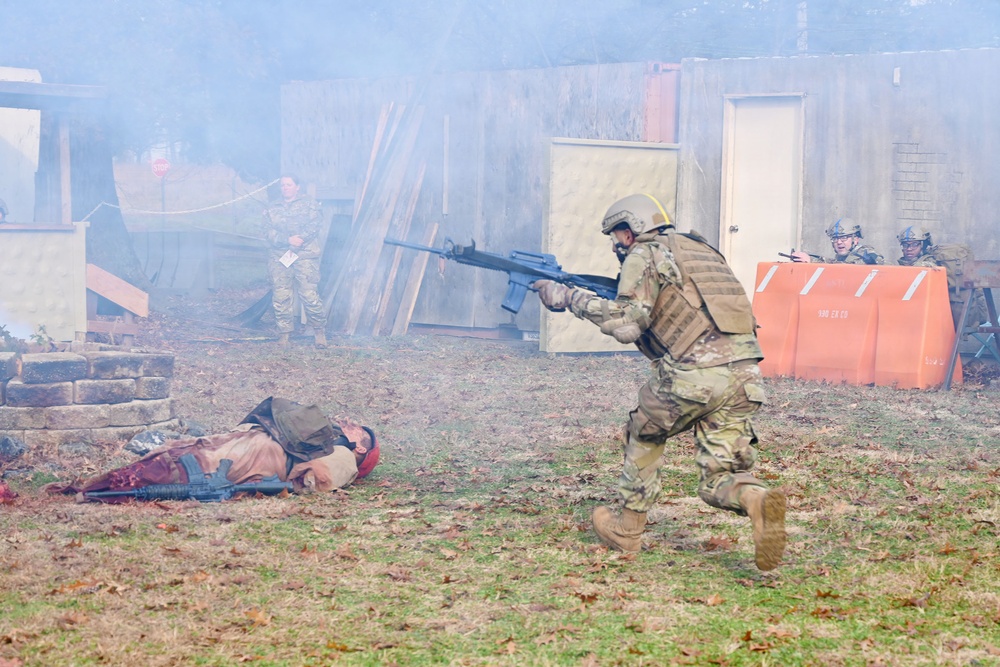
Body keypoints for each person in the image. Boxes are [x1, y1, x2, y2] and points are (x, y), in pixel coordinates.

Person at [533, 193, 787, 571]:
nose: (616, 244)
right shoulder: (701, 251)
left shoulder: (644, 254)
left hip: (695, 375)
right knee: (719, 477)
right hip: (745, 374)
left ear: (631, 229)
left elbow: (625, 320)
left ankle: (628, 527)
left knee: (644, 431)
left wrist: (569, 297)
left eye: (617, 235)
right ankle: (757, 500)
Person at [47, 397, 380, 501]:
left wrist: (286, 484)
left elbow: (319, 479)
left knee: (179, 469)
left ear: (361, 447)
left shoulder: (345, 457)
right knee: (175, 456)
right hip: (248, 443)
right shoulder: (319, 434)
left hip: (258, 459)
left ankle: (93, 492)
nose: (349, 423)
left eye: (356, 428)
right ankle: (90, 488)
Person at [264, 175, 328, 348]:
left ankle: (319, 332)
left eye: (289, 184)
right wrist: (287, 239)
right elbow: (266, 231)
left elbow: (315, 225)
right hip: (280, 257)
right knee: (281, 296)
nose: (285, 188)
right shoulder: (272, 207)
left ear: (297, 187)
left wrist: (300, 239)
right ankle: (284, 335)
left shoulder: (310, 204)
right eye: (283, 185)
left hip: (305, 256)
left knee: (309, 295)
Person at [896, 226, 987, 330]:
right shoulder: (905, 264)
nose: (909, 249)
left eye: (914, 244)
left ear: (923, 245)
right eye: (905, 245)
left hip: (934, 319)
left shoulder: (931, 262)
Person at [790, 218, 884, 265]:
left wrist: (812, 261)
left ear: (855, 239)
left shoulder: (866, 253)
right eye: (835, 238)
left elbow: (847, 269)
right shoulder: (841, 258)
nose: (839, 242)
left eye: (844, 237)